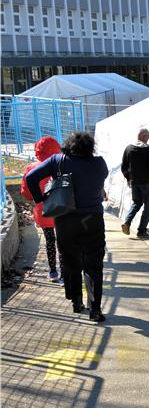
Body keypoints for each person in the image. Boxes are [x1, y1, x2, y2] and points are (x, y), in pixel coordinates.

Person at [25, 131, 109, 322]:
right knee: (94, 264)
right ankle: (94, 309)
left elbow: (31, 178)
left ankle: (76, 303)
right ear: (90, 147)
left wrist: (42, 200)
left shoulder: (58, 161)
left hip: (65, 219)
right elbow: (100, 180)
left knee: (71, 262)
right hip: (92, 219)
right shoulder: (99, 163)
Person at [20, 136, 64, 284]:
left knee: (50, 240)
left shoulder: (31, 168)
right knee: (63, 241)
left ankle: (52, 271)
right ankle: (65, 272)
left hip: (43, 211)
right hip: (62, 208)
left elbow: (26, 193)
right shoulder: (62, 164)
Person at [120, 128, 149, 238]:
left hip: (135, 182)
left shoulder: (129, 148)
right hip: (147, 183)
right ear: (144, 136)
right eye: (147, 137)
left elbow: (124, 166)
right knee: (148, 208)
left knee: (136, 203)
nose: (148, 140)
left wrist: (128, 178)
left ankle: (127, 222)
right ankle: (141, 231)